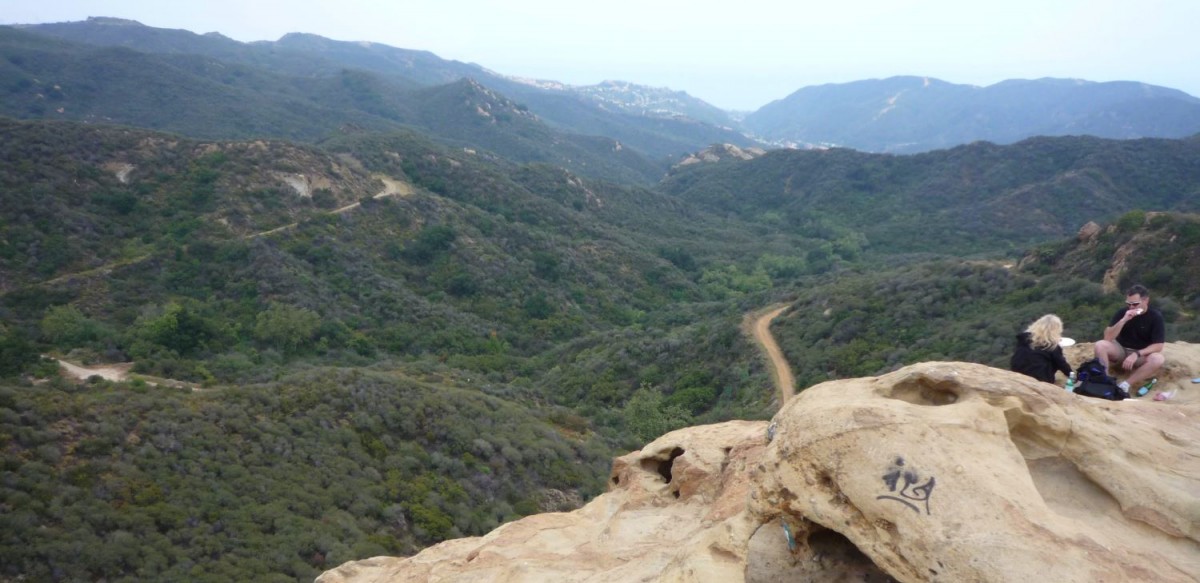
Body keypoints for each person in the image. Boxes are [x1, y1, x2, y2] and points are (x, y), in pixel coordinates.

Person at [1093, 284, 1165, 397]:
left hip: (1140, 353)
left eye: (1135, 304)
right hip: (1120, 349)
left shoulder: (1155, 317)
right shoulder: (1123, 313)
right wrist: (1123, 320)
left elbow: (1158, 346)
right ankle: (1105, 380)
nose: (1131, 307)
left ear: (1145, 300)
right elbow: (1107, 338)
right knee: (1100, 345)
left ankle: (1126, 384)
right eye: (1129, 304)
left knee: (1157, 359)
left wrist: (1137, 354)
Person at [1010, 314, 1072, 384]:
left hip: (1016, 376)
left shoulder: (1023, 340)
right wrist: (1073, 376)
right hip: (1039, 380)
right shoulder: (1051, 346)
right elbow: (1062, 365)